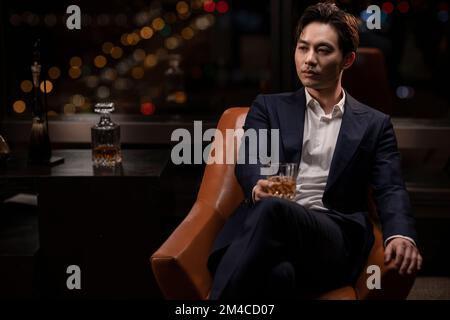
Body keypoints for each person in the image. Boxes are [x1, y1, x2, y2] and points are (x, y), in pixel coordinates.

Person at [207, 2, 422, 299]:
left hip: (333, 237)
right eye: (302, 48)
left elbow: (391, 188)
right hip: (272, 235)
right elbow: (251, 159)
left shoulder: (374, 124)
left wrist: (401, 234)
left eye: (322, 50)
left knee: (272, 209)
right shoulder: (269, 107)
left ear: (347, 60)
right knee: (280, 276)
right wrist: (257, 185)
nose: (308, 60)